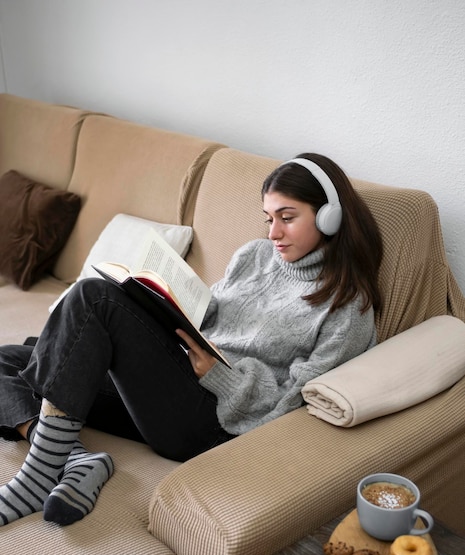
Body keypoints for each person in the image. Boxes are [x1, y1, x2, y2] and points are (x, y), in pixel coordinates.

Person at [0, 153, 383, 527]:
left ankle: (38, 475)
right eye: (268, 218)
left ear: (329, 218)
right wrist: (171, 308)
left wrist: (222, 376)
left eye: (287, 218)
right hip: (171, 383)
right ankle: (76, 461)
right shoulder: (255, 255)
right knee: (11, 359)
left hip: (212, 419)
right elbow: (217, 313)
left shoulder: (349, 308)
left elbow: (296, 401)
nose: (273, 233)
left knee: (92, 298)